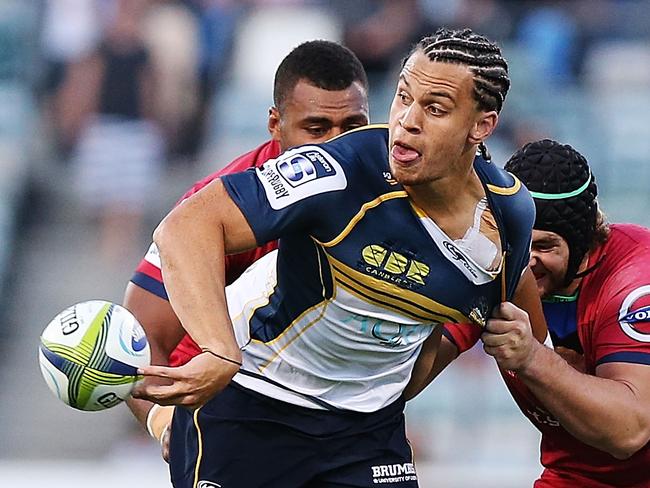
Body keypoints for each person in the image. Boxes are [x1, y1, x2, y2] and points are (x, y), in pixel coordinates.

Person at [133, 27, 548, 488]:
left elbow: (499, 314)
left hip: (368, 433)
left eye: (435, 109)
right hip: (253, 406)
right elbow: (185, 227)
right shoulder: (339, 167)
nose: (407, 121)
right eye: (403, 97)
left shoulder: (509, 213)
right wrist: (218, 352)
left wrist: (518, 348)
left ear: (482, 125)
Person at [123, 39, 370, 458]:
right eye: (316, 129)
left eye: (352, 126)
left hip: (339, 418)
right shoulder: (219, 210)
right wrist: (163, 423)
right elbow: (139, 335)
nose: (337, 145)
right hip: (235, 421)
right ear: (275, 124)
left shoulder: (391, 185)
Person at [438, 139, 650, 487]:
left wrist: (532, 357)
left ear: (582, 240)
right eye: (519, 241)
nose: (528, 258)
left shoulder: (635, 276)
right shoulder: (495, 265)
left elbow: (628, 433)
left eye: (545, 245)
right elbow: (407, 379)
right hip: (574, 476)